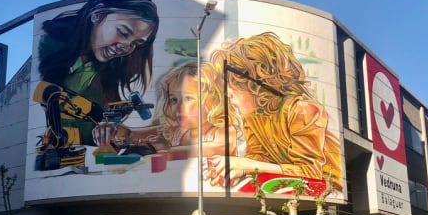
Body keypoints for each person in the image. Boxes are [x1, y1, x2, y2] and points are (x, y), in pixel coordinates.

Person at [202, 32, 343, 191]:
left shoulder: (302, 110)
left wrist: (248, 165)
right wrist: (236, 169)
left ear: (258, 84)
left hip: (331, 191)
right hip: (290, 189)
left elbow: (311, 172)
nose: (228, 93)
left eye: (234, 84)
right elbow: (258, 161)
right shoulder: (252, 116)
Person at [36, 0, 159, 146]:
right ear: (97, 16)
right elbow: (43, 94)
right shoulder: (50, 43)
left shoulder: (102, 68)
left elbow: (98, 125)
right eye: (123, 32)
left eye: (135, 43)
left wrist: (107, 125)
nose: (126, 47)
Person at [93, 60, 241, 158]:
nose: (178, 107)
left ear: (214, 100)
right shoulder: (175, 130)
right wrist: (113, 129)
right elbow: (131, 134)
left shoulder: (223, 131)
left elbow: (219, 148)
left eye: (188, 98)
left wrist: (166, 151)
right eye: (173, 99)